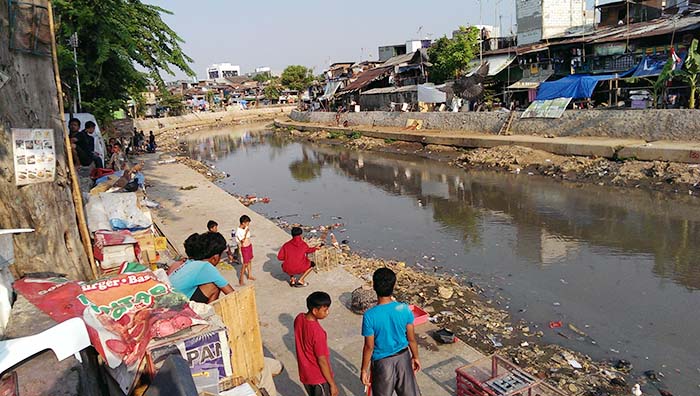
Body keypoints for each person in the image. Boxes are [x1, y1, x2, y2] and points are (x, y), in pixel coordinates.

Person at [361, 268, 421, 396]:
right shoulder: (404, 309)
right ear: (393, 286)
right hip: (403, 358)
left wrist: (364, 370)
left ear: (374, 286)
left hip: (382, 363)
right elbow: (411, 339)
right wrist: (415, 357)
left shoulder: (369, 316)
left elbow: (369, 347)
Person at [168, 232, 234, 303]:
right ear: (215, 258)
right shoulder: (206, 267)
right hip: (174, 307)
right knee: (214, 286)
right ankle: (208, 313)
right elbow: (232, 294)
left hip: (167, 299)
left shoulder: (189, 262)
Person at [294, 292, 338, 396]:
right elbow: (322, 360)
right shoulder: (318, 333)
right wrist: (332, 384)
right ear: (315, 311)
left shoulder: (299, 318)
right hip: (318, 377)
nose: (327, 312)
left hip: (305, 374)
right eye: (324, 310)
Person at [235, 215, 255, 285]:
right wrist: (246, 232)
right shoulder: (238, 231)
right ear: (243, 223)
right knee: (245, 264)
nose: (248, 224)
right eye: (247, 223)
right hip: (245, 248)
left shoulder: (245, 227)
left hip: (249, 246)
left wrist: (246, 230)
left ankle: (249, 275)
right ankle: (241, 279)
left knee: (249, 261)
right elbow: (242, 241)